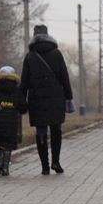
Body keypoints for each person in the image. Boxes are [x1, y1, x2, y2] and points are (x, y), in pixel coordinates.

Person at [19, 24, 74, 176]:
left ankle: (44, 166)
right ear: (47, 35)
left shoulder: (30, 57)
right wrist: (69, 96)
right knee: (56, 130)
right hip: (56, 98)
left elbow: (24, 82)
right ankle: (55, 162)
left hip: (37, 99)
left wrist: (21, 100)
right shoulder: (57, 54)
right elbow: (64, 77)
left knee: (41, 131)